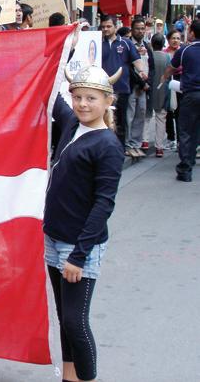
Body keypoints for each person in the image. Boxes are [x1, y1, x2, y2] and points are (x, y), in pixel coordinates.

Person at [45, 65, 124, 382]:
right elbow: (50, 92)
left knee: (75, 322)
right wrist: (63, 46)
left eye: (91, 98)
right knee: (64, 319)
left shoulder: (108, 145)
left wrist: (78, 256)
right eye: (77, 97)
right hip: (53, 238)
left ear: (107, 101)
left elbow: (103, 204)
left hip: (79, 246)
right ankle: (69, 377)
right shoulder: (70, 123)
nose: (82, 104)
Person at [99, 15, 148, 147]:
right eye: (103, 27)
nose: (105, 29)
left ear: (116, 27)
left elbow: (136, 60)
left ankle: (119, 148)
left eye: (109, 26)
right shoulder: (97, 42)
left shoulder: (126, 43)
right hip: (101, 90)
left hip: (121, 89)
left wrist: (141, 71)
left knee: (120, 121)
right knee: (101, 120)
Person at [162, 19, 200, 182]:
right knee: (196, 130)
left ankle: (185, 168)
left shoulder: (185, 50)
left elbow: (171, 68)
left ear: (192, 32)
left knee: (185, 131)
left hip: (190, 94)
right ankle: (191, 158)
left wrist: (164, 77)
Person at [125, 17, 153, 157]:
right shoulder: (127, 45)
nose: (140, 31)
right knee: (129, 116)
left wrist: (148, 83)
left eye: (142, 28)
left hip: (144, 88)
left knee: (140, 115)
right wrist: (142, 83)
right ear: (132, 30)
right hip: (132, 86)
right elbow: (128, 68)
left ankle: (136, 144)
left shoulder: (147, 46)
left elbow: (152, 67)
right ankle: (127, 144)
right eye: (137, 29)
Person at [148, 34, 171, 157]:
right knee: (161, 118)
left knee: (146, 116)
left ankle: (144, 141)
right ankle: (159, 147)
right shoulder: (167, 57)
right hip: (162, 89)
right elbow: (169, 75)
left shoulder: (149, 55)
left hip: (149, 88)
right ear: (163, 44)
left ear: (152, 43)